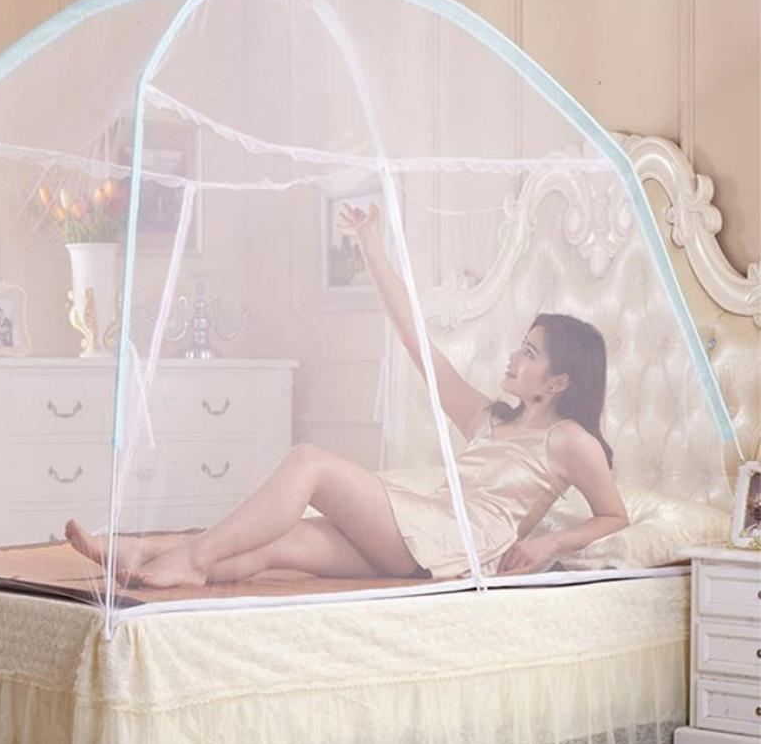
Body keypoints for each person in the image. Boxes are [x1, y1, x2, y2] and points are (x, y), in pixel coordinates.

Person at [65, 203, 630, 587]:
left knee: (310, 462)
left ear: (559, 381)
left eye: (529, 353)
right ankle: (148, 552)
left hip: (457, 541)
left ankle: (190, 557)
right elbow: (415, 340)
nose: (513, 357)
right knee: (276, 543)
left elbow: (614, 515)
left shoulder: (569, 440)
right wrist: (369, 245)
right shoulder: (490, 419)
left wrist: (548, 545)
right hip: (421, 536)